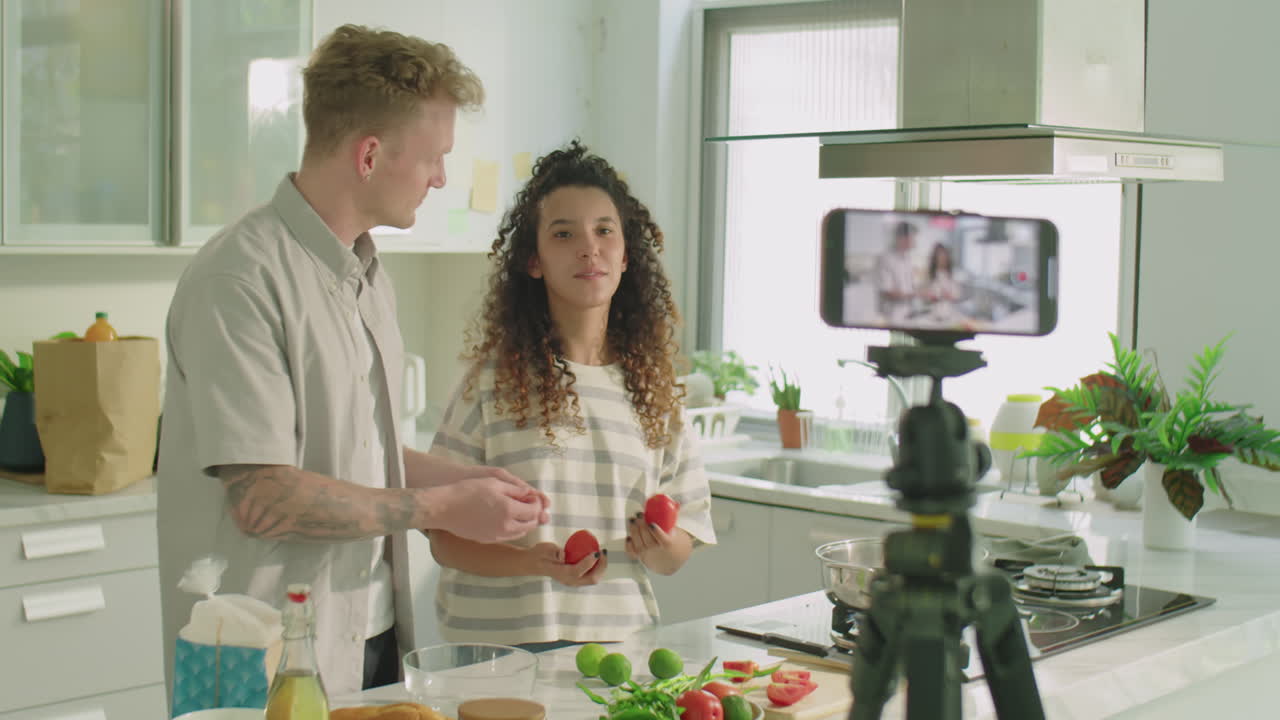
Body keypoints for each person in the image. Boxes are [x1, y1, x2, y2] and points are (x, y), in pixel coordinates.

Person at [156, 25, 550, 698]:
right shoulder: (241, 279)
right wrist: (443, 505)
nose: (441, 178)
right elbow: (265, 496)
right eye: (434, 158)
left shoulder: (366, 277)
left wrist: (472, 483)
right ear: (369, 156)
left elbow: (356, 453)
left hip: (370, 636)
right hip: (261, 655)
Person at [427, 141, 716, 650]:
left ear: (626, 255)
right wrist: (529, 562)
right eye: (565, 234)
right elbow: (442, 536)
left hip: (615, 654)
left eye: (605, 230)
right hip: (494, 657)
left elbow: (678, 550)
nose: (589, 247)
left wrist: (661, 545)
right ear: (534, 260)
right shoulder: (491, 385)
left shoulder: (654, 394)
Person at [874, 220, 919, 323]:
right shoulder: (885, 258)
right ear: (902, 238)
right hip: (892, 316)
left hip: (907, 312)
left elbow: (909, 285)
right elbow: (887, 292)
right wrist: (917, 294)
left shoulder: (907, 257)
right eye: (913, 237)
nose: (915, 241)